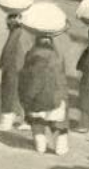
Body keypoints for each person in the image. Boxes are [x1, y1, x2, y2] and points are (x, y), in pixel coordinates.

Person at [18, 17, 70, 155]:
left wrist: (26, 96)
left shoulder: (32, 55)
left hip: (37, 97)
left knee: (37, 121)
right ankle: (61, 146)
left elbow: (28, 78)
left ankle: (40, 143)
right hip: (56, 96)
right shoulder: (58, 56)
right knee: (58, 123)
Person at [0, 0, 33, 132]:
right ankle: (25, 120)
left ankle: (6, 122)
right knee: (25, 94)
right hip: (24, 67)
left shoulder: (17, 34)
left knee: (10, 94)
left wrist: (4, 66)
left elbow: (11, 54)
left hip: (15, 68)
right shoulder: (25, 31)